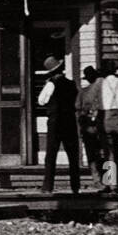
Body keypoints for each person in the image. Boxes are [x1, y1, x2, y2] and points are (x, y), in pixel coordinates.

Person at [36, 56, 81, 194]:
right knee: (73, 154)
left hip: (55, 121)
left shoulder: (50, 84)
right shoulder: (71, 84)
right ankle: (75, 186)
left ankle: (48, 186)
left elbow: (41, 101)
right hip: (69, 120)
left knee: (51, 154)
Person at [76, 66, 105, 188]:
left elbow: (77, 108)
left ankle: (98, 181)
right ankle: (109, 181)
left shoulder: (84, 92)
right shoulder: (102, 89)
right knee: (106, 154)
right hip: (99, 125)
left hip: (90, 126)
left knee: (92, 155)